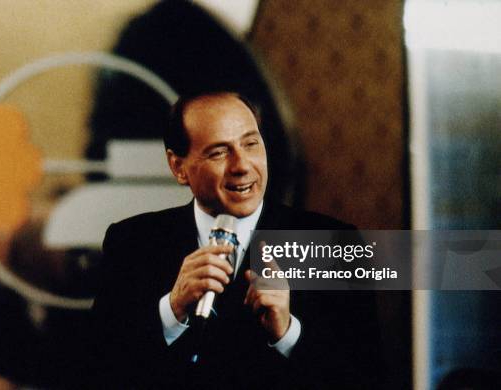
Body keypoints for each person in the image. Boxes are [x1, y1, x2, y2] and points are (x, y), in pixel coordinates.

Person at [94, 92, 384, 388]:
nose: (242, 165)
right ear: (178, 167)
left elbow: (368, 377)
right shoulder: (131, 243)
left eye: (251, 144)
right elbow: (97, 371)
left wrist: (287, 334)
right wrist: (171, 310)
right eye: (219, 152)